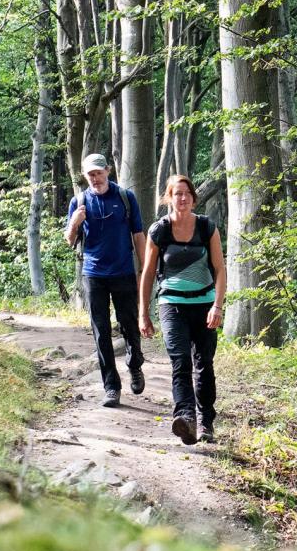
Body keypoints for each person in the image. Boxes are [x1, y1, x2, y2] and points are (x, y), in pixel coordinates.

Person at [138, 174, 226, 445]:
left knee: (204, 364)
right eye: (177, 193)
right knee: (180, 362)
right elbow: (149, 273)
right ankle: (185, 418)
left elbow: (220, 269)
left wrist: (217, 306)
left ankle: (206, 421)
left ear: (193, 198)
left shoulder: (207, 227)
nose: (183, 198)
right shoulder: (159, 231)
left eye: (187, 193)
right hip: (172, 305)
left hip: (204, 304)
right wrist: (143, 312)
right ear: (169, 198)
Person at [64, 153, 146, 408]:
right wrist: (75, 223)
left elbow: (138, 234)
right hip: (93, 274)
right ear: (85, 176)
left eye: (99, 173)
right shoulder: (79, 201)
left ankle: (134, 364)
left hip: (123, 272)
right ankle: (111, 387)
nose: (95, 178)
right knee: (100, 333)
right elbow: (69, 240)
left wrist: (145, 269)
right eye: (90, 174)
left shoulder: (125, 197)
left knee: (130, 326)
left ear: (108, 171)